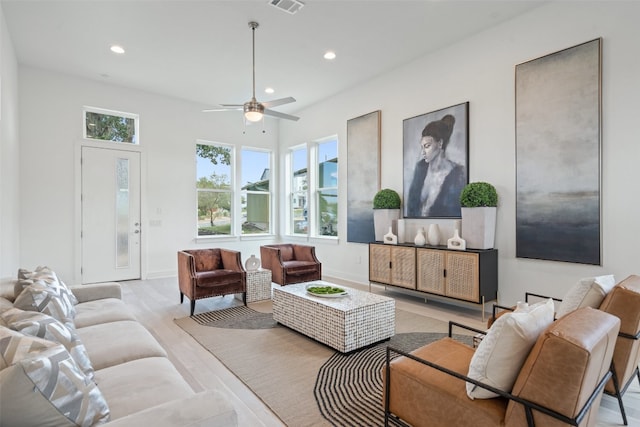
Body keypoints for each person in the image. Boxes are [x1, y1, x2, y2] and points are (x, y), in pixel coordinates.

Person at [407, 114, 465, 217]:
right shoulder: (420, 168)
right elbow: (411, 207)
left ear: (440, 143)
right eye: (422, 147)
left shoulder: (458, 174)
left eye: (427, 146)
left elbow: (456, 213)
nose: (423, 152)